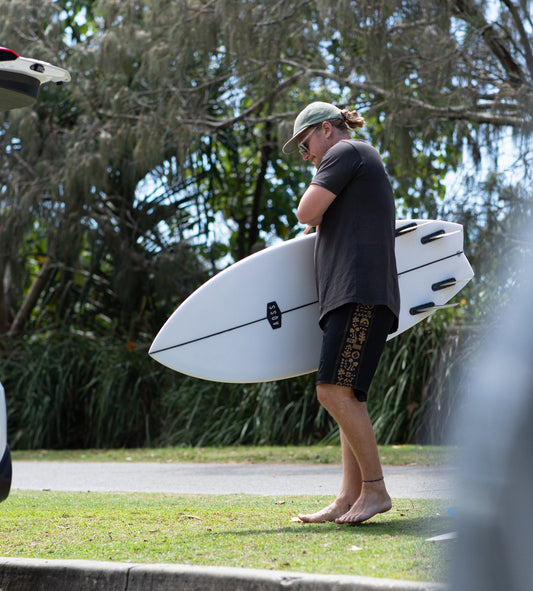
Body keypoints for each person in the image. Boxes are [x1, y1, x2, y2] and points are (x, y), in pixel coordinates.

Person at [282, 101, 400, 524]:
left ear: (327, 130)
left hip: (358, 294)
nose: (306, 155)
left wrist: (319, 181)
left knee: (332, 391)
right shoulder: (354, 159)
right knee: (347, 396)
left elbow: (305, 212)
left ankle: (375, 490)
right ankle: (348, 496)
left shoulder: (346, 152)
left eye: (305, 144)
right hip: (353, 295)